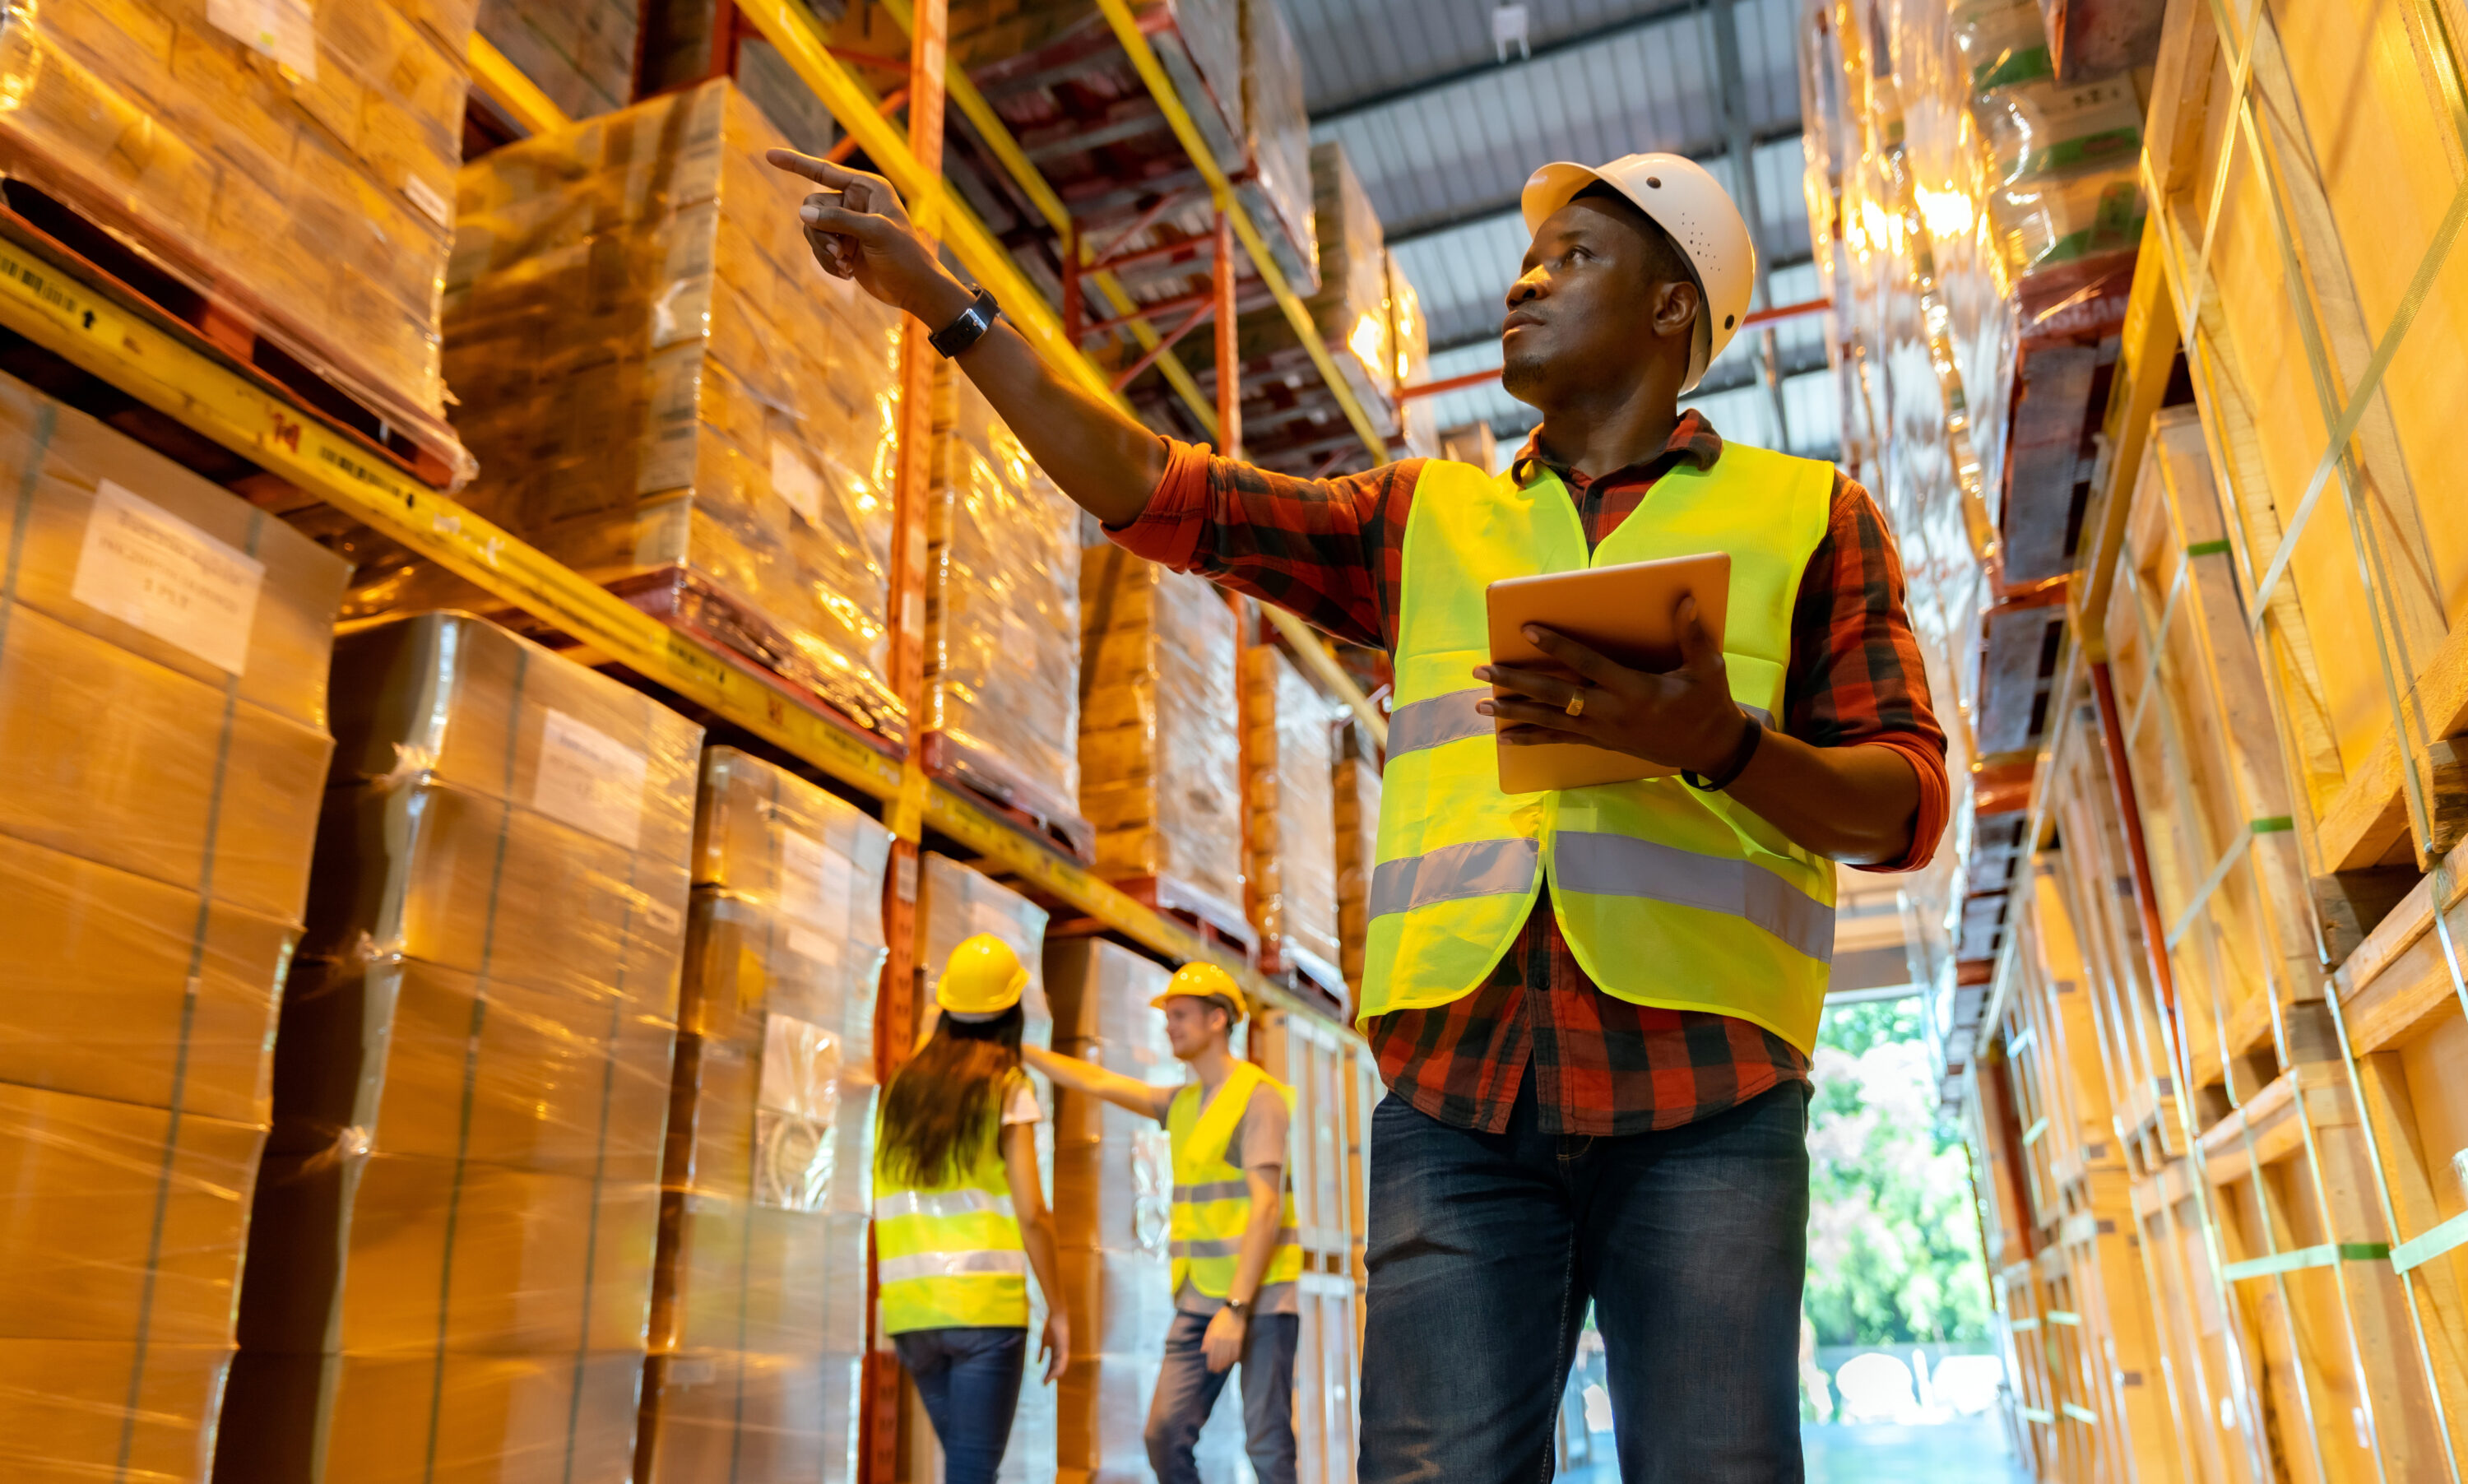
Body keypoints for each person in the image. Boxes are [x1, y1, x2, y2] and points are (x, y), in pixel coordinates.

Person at [774, 143, 1946, 1482]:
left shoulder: (1808, 517)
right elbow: (1156, 488)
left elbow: (1902, 804)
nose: (1523, 285)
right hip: (1462, 1097)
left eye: (1574, 259)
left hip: (1709, 1104)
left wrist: (1722, 743)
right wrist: (952, 307)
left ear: (1675, 305)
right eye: (1527, 259)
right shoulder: (1426, 519)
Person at [1022, 963, 1300, 1484]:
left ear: (1218, 1019)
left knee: (1268, 1446)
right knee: (1164, 1436)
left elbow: (1266, 1207)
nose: (1169, 1026)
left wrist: (1236, 1310)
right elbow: (1100, 1081)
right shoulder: (1184, 1103)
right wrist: (1019, 1051)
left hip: (1258, 1298)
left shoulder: (1259, 1097)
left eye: (1180, 1015)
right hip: (1198, 1296)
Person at [873, 934, 1071, 1484]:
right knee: (971, 1472)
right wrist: (1060, 1309)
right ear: (1013, 1010)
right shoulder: (1006, 1087)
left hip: (913, 1314)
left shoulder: (899, 1092)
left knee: (967, 1467)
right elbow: (1034, 1213)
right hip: (984, 1312)